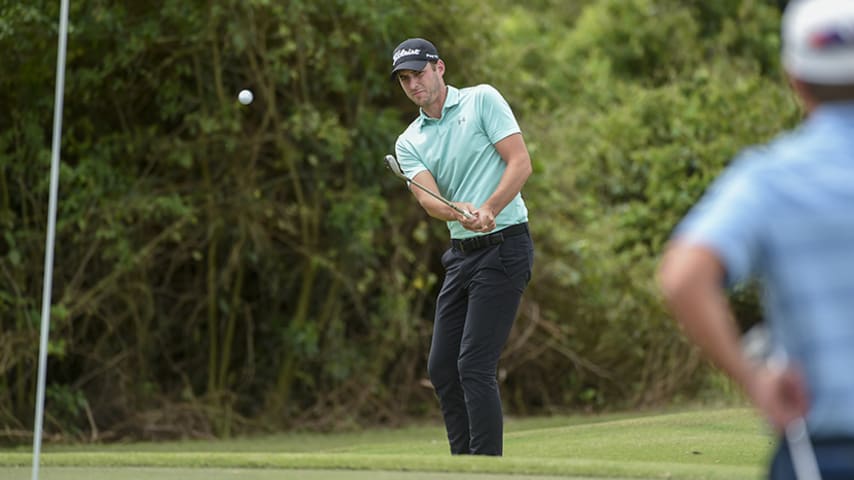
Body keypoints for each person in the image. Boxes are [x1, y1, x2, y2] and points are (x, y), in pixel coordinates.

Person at [658, 0, 854, 477]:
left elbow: (683, 278)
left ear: (794, 78)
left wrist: (754, 380)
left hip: (823, 452)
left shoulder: (770, 177)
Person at [389, 37, 534, 456]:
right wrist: (457, 213)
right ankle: (463, 464)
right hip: (462, 255)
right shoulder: (410, 140)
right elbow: (428, 199)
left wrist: (490, 207)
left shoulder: (481, 100)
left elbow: (520, 162)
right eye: (404, 79)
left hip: (505, 246)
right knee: (442, 369)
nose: (413, 83)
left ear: (440, 68)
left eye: (418, 73)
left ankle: (485, 466)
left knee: (473, 365)